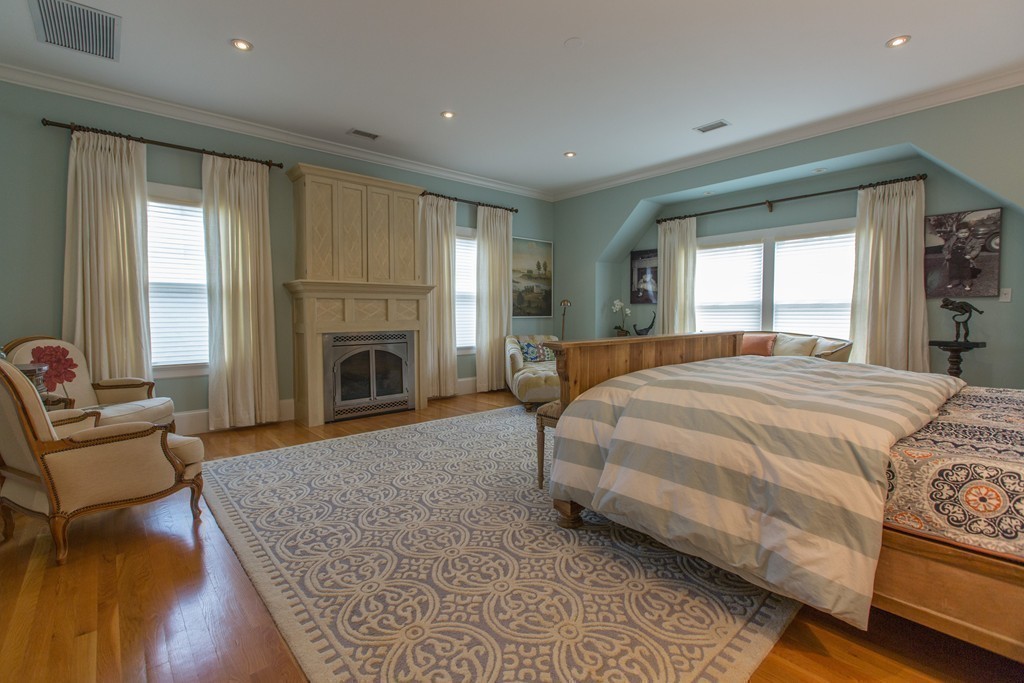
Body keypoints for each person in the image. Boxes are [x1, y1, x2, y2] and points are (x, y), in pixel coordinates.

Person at [943, 223, 983, 292]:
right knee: (953, 271)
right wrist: (947, 255)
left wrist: (970, 255)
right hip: (953, 258)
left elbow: (977, 248)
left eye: (966, 232)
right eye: (961, 233)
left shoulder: (973, 240)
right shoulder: (952, 239)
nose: (964, 234)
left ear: (969, 232)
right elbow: (945, 248)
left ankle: (967, 284)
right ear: (957, 233)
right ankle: (954, 282)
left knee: (965, 271)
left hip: (964, 258)